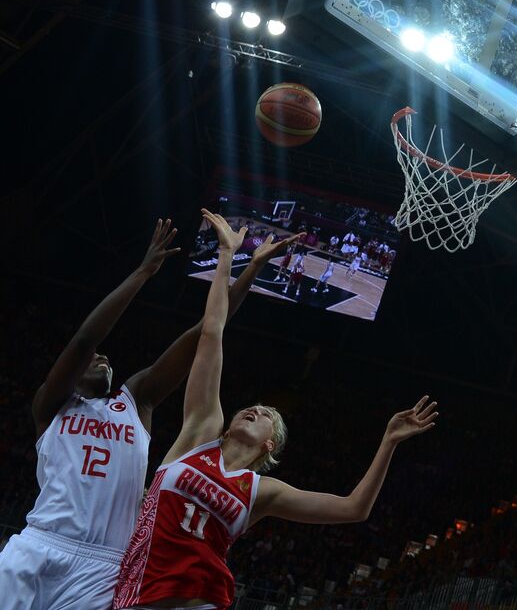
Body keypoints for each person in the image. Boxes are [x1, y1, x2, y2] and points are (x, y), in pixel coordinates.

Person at [113, 210, 437, 610]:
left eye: (265, 413)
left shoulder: (262, 492)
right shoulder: (200, 433)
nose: (253, 409)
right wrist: (229, 256)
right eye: (250, 407)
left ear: (270, 445)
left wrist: (388, 441)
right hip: (140, 594)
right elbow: (212, 333)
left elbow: (354, 508)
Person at [0, 218, 300, 610]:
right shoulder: (51, 405)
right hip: (41, 541)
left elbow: (206, 332)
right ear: (71, 376)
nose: (102, 358)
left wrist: (252, 269)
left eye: (104, 357)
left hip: (104, 565)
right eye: (92, 361)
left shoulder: (136, 402)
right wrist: (143, 272)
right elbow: (86, 338)